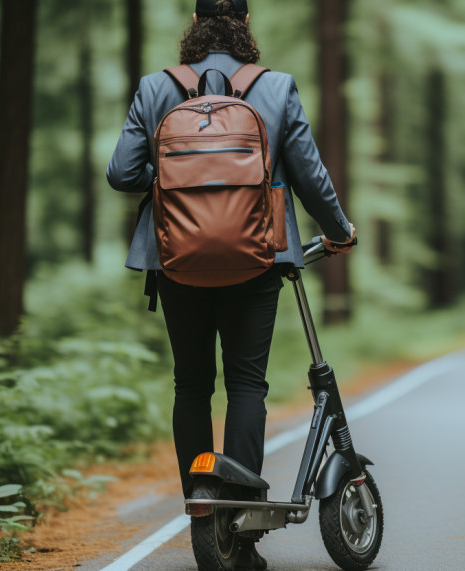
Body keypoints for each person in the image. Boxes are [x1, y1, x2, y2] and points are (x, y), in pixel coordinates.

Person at [106, 0, 355, 566]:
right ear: (245, 25)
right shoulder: (276, 87)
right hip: (258, 256)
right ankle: (239, 526)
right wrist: (339, 231)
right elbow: (310, 171)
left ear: (194, 25)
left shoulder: (155, 88)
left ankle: (202, 508)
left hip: (174, 259)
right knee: (247, 384)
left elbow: (121, 174)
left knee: (191, 385)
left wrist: (170, 177)